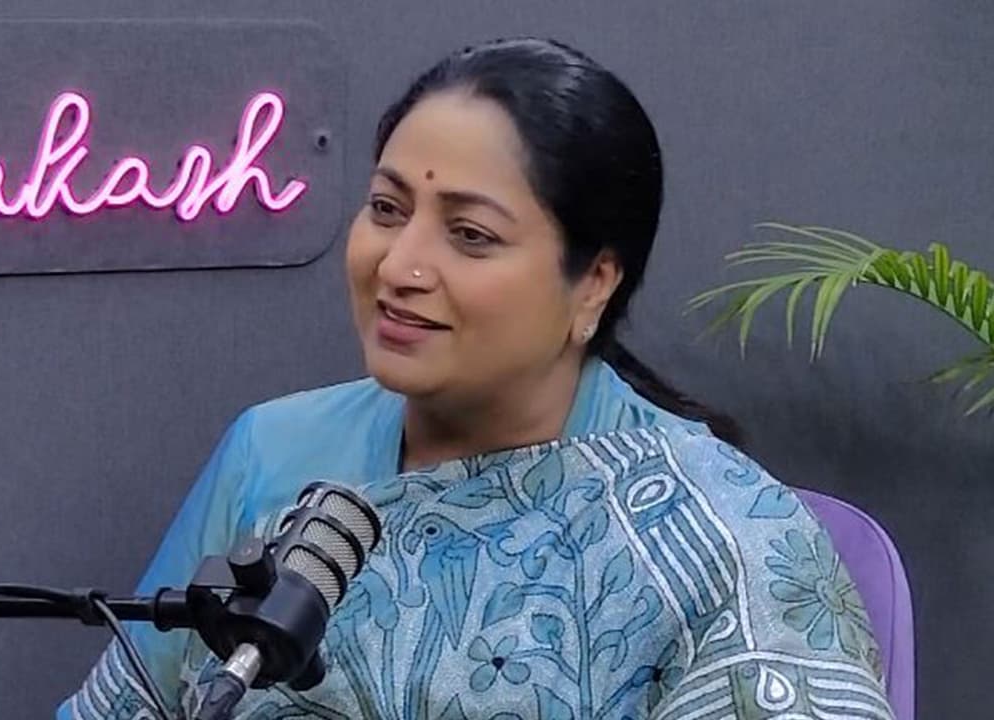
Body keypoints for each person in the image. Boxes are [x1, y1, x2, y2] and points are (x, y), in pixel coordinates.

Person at [58, 37, 893, 720]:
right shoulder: (272, 453)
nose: (400, 266)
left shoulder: (717, 530)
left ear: (594, 283)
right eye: (387, 210)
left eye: (470, 235)